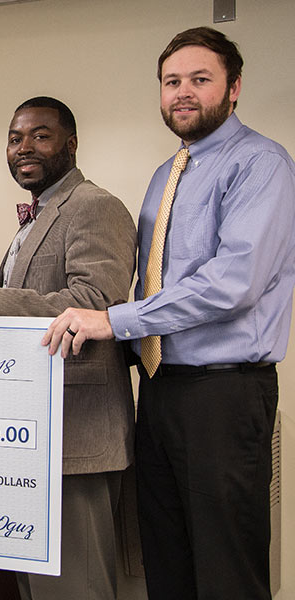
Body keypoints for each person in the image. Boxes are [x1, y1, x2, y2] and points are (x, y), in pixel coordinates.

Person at [42, 27, 295, 600]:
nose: (183, 92)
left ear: (233, 89)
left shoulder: (261, 164)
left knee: (227, 573)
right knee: (165, 563)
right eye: (171, 81)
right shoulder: (167, 174)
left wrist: (115, 319)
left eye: (200, 80)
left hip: (224, 399)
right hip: (160, 390)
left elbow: (233, 283)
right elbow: (157, 278)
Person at [0, 97, 136, 600]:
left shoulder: (96, 206)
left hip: (78, 434)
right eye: (15, 138)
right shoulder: (35, 217)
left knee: (79, 589)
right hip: (34, 436)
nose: (24, 147)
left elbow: (98, 302)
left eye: (40, 135)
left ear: (71, 144)